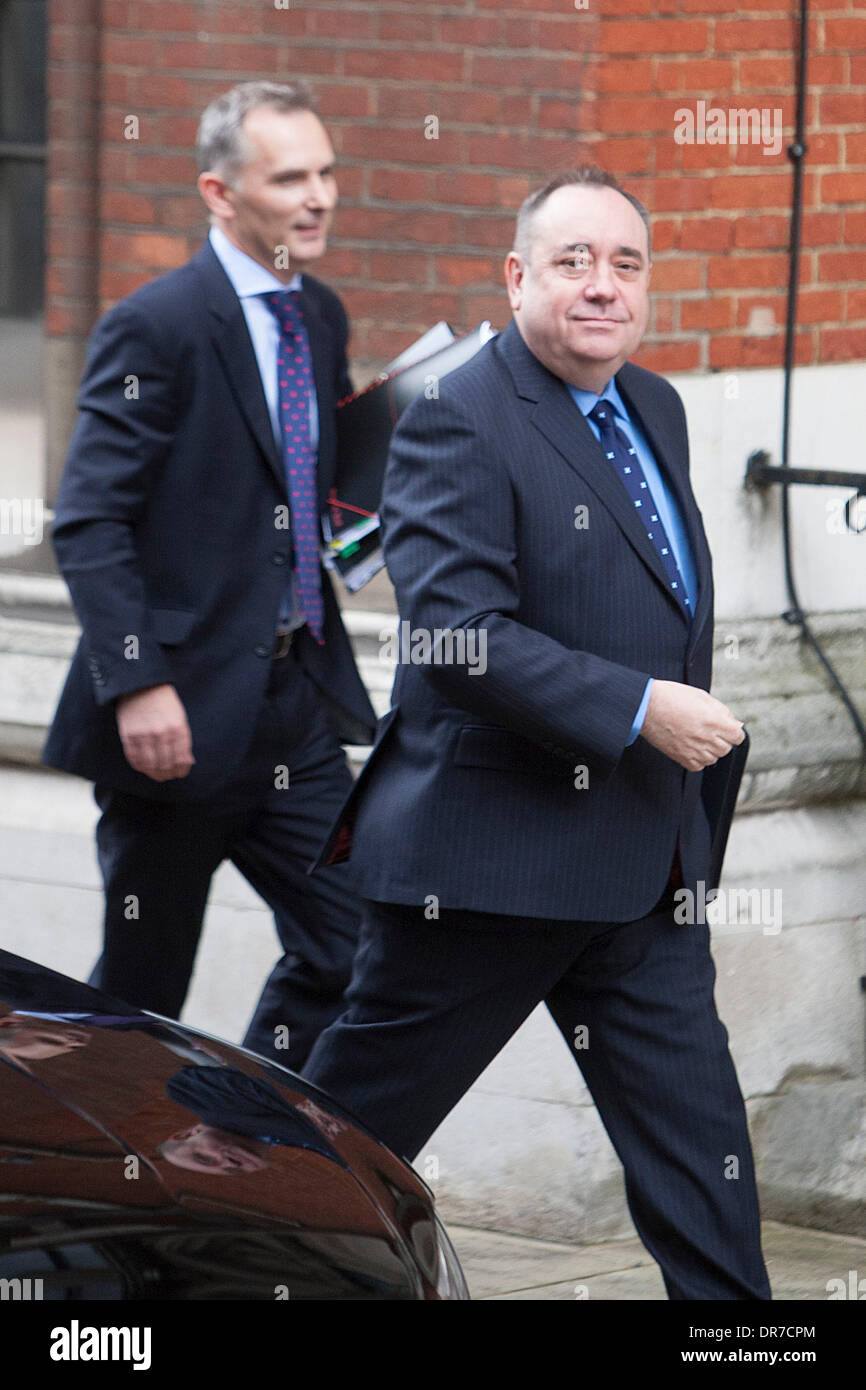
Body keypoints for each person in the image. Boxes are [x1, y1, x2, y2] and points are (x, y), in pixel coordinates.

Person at [301, 168, 772, 1300]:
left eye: (624, 264)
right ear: (516, 277)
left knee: (703, 1170)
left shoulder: (653, 406)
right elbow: (457, 637)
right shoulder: (457, 415)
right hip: (486, 874)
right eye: (572, 262)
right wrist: (637, 707)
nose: (601, 287)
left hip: (642, 872)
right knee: (335, 1158)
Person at [42, 81, 376, 1069]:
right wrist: (139, 679)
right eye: (289, 177)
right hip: (174, 720)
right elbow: (90, 516)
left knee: (358, 946)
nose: (318, 196)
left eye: (326, 172)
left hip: (295, 702)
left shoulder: (318, 315)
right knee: (140, 992)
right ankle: (107, 1196)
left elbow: (302, 492)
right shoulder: (157, 325)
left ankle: (241, 1131)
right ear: (220, 194)